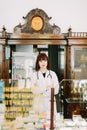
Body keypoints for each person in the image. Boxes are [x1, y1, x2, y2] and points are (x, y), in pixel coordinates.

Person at [31, 52, 59, 119]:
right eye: (41, 61)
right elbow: (33, 90)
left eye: (45, 60)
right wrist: (46, 88)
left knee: (51, 122)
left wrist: (39, 89)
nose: (43, 63)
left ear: (47, 62)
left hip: (50, 101)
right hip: (38, 102)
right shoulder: (34, 75)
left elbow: (56, 90)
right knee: (38, 123)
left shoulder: (53, 74)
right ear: (38, 62)